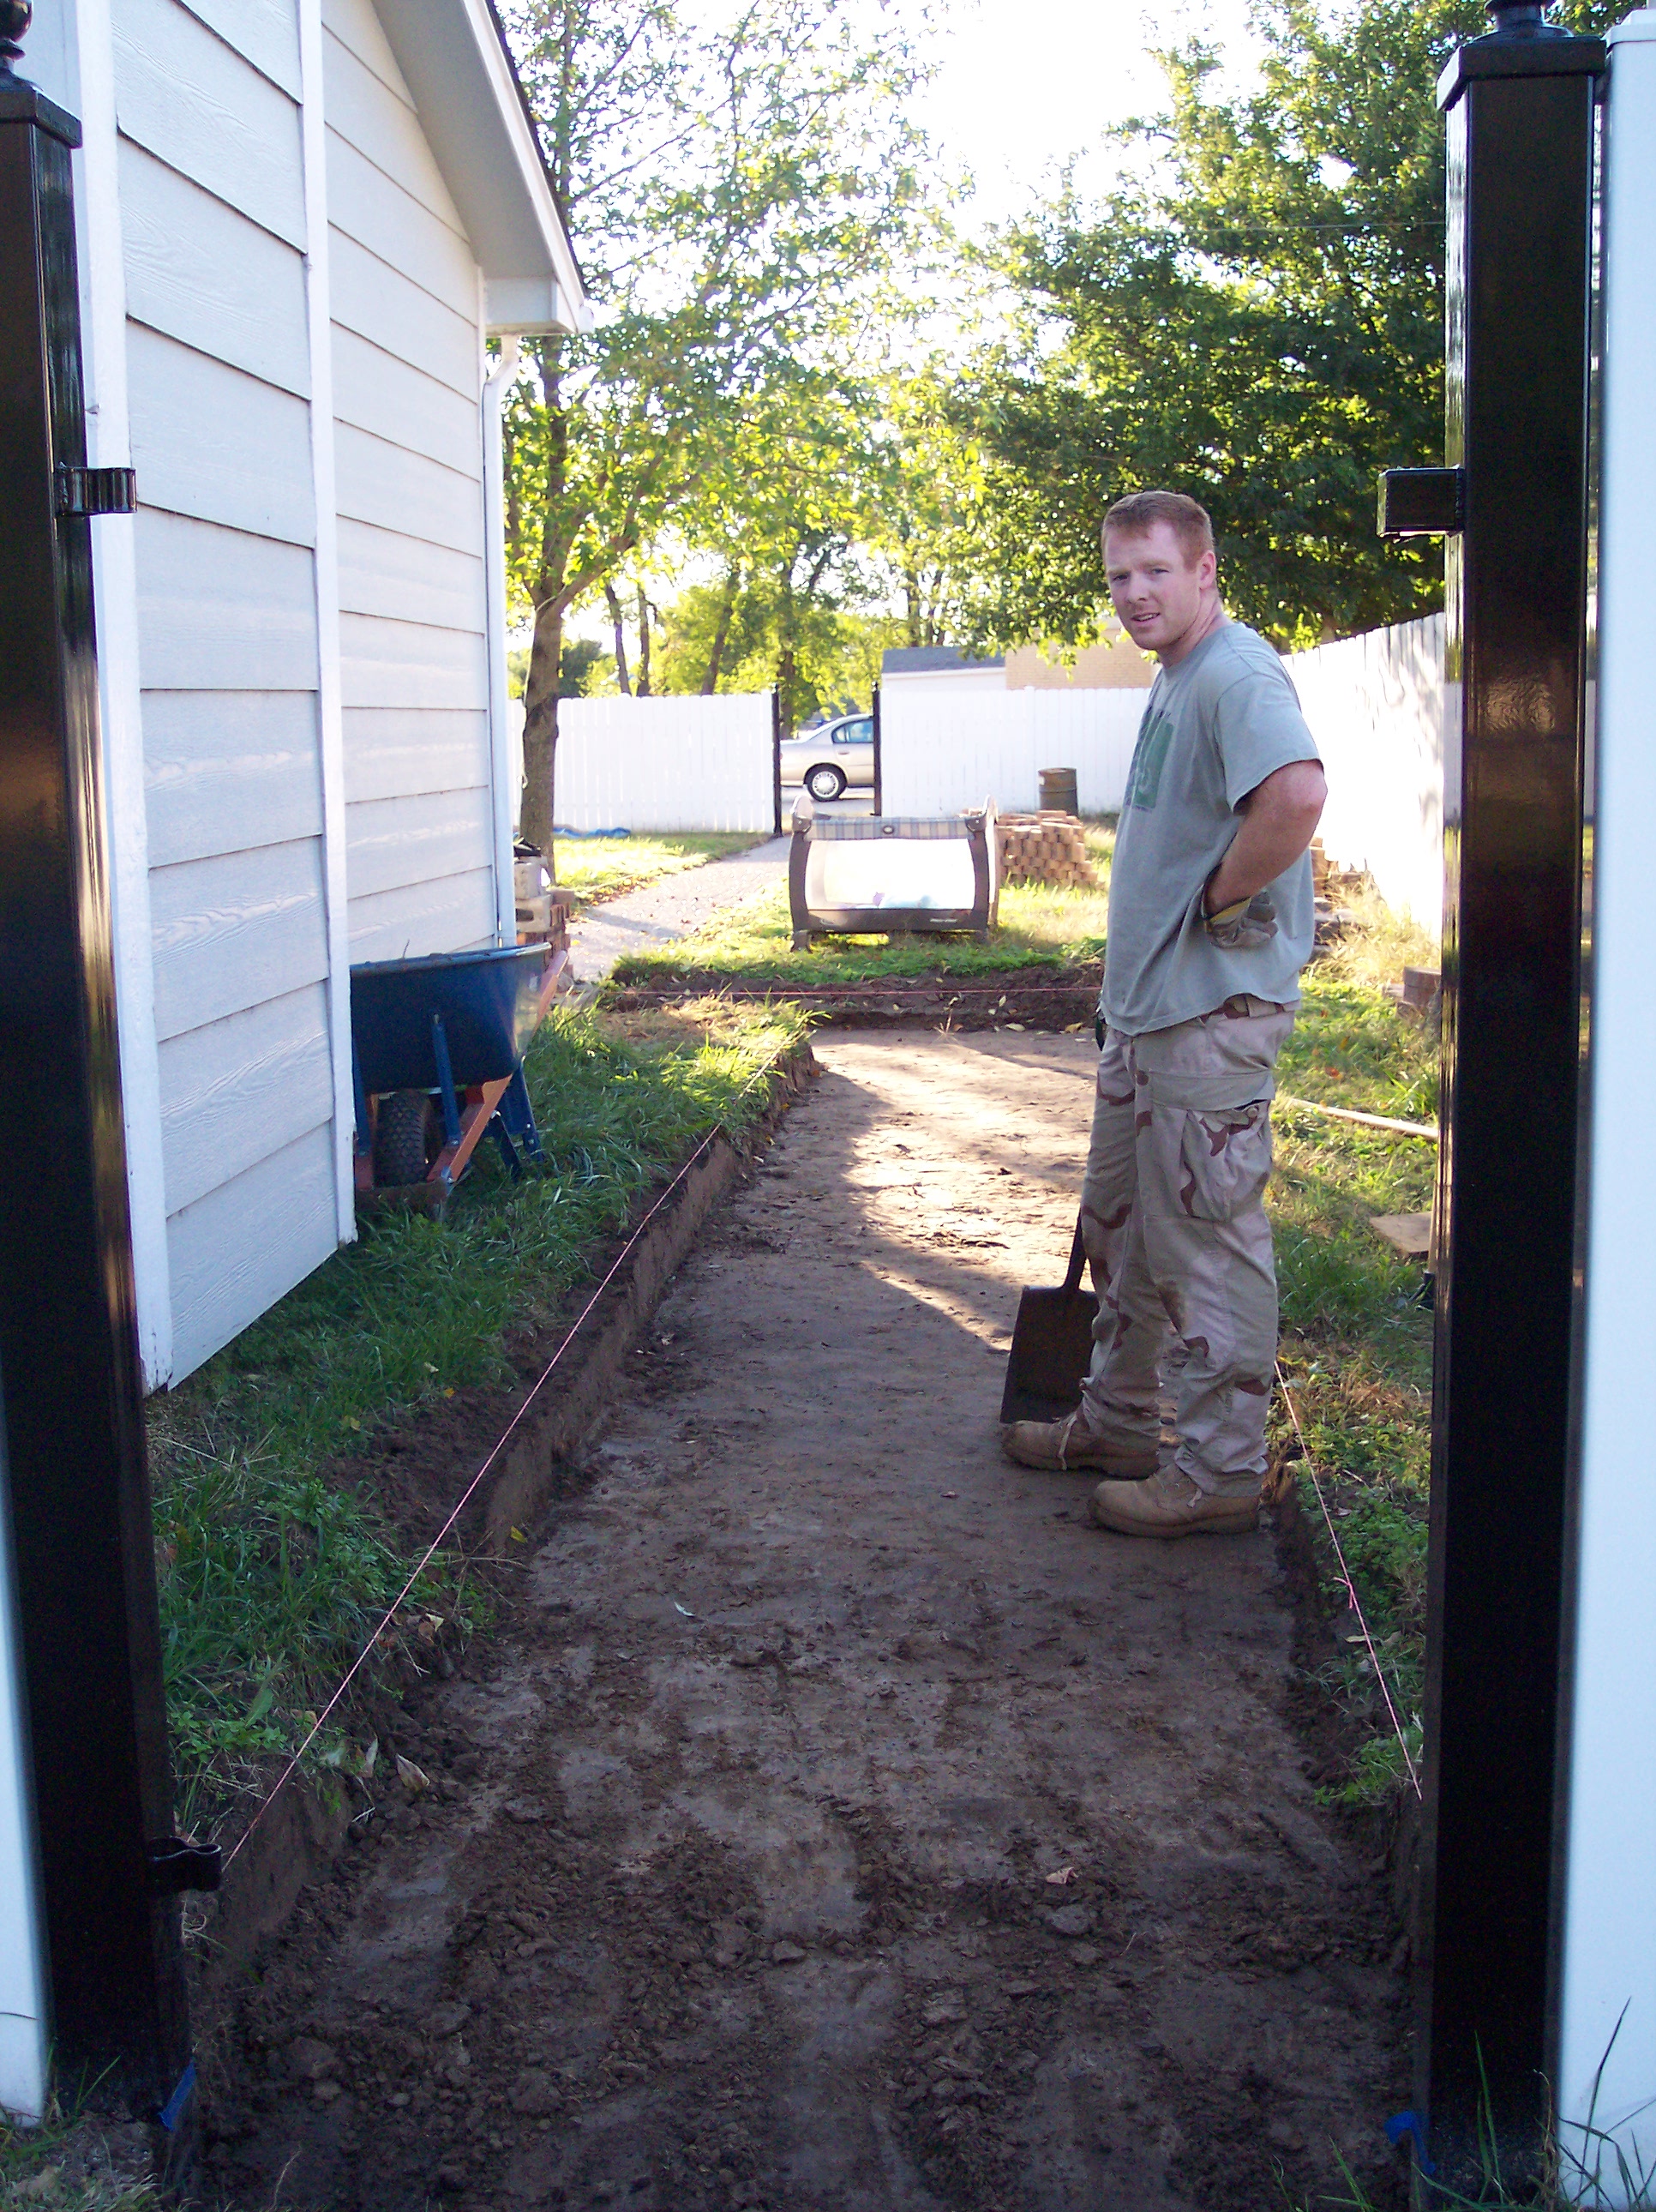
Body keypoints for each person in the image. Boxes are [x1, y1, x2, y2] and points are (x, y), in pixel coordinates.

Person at [1004, 490, 1327, 1536]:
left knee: (1206, 1241)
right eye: (1118, 579)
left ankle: (1224, 1475)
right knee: (1126, 1232)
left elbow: (1298, 796)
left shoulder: (1234, 671)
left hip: (1207, 1019)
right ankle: (1119, 1424)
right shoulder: (1178, 673)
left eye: (1153, 572)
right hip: (1147, 1018)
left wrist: (1220, 901)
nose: (1134, 595)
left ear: (1204, 571)